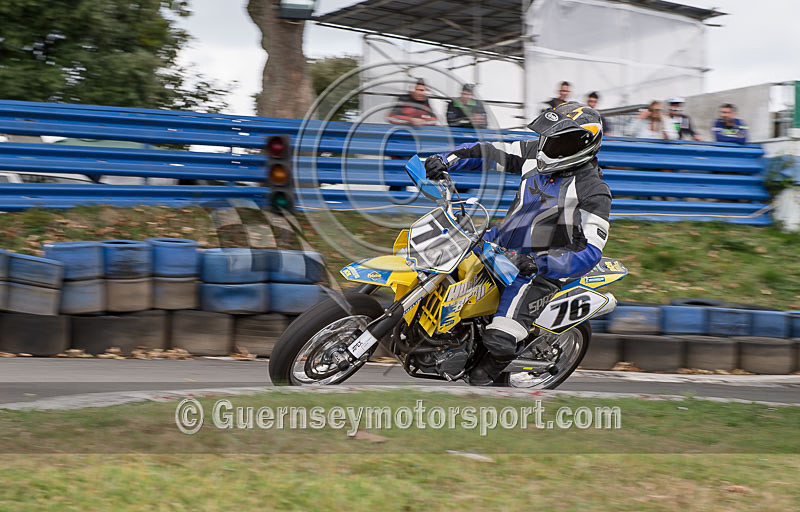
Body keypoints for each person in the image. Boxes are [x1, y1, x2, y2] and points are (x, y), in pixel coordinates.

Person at [424, 101, 612, 386]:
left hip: (538, 270)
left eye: (558, 142)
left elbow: (590, 251)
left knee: (500, 337)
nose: (547, 146)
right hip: (498, 246)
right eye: (548, 138)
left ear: (581, 145)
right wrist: (447, 159)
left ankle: (491, 373)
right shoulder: (534, 154)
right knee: (436, 261)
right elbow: (486, 152)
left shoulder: (594, 191)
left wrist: (540, 263)